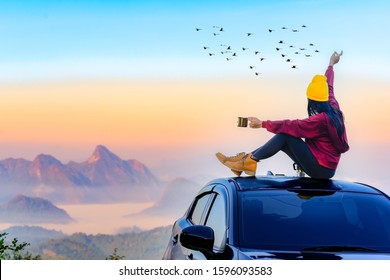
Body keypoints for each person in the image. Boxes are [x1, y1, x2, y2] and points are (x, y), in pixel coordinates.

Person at [216, 51, 349, 179]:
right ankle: (246, 161)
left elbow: (292, 125)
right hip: (327, 168)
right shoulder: (333, 107)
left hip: (321, 169)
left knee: (285, 135)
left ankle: (249, 161)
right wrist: (331, 64)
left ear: (312, 101)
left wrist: (262, 124)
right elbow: (329, 86)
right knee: (284, 140)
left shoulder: (320, 120)